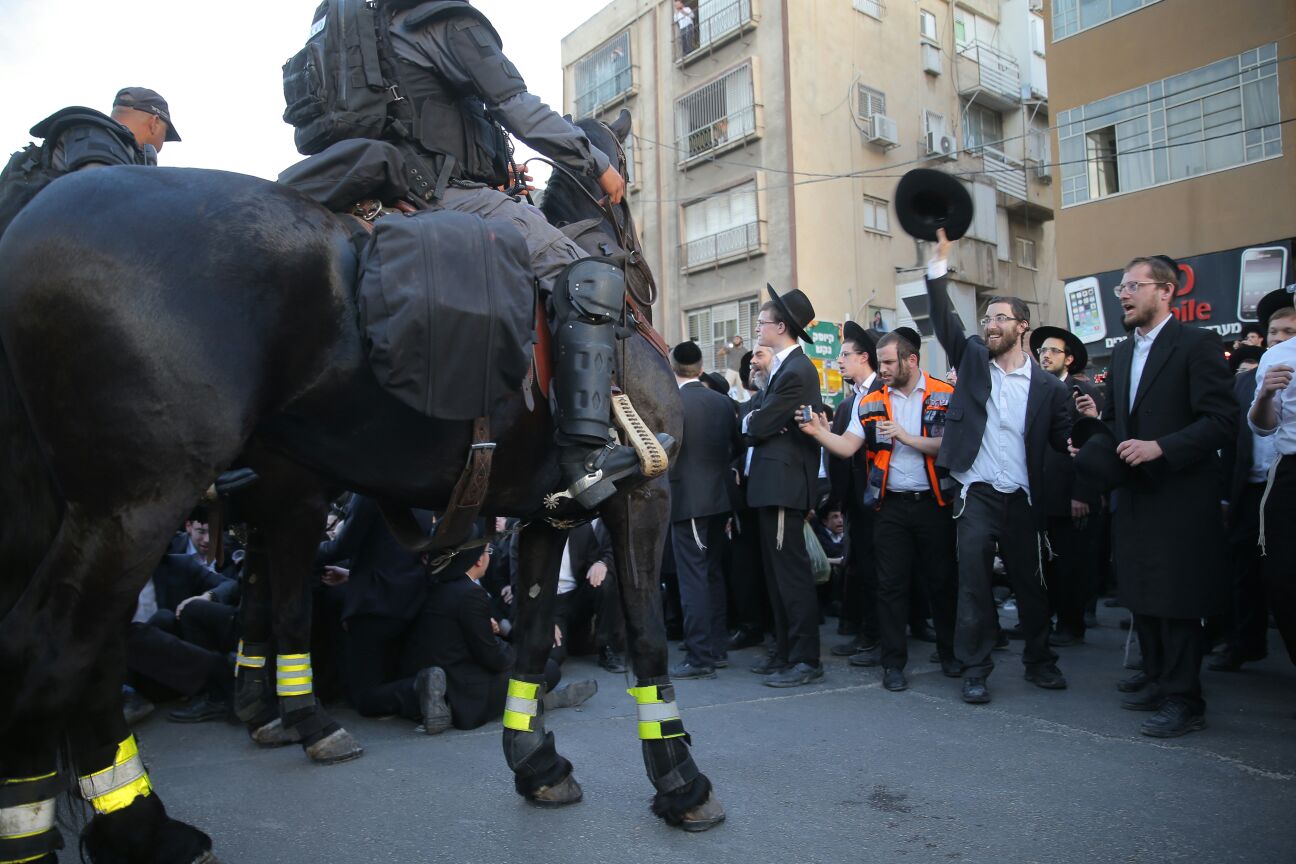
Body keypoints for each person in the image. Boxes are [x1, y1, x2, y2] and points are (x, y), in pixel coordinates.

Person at [374, 1, 666, 507]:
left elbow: (420, 120)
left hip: (377, 188)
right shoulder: (443, 22)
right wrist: (595, 163)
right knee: (584, 271)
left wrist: (493, 171)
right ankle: (585, 460)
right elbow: (518, 107)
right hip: (437, 194)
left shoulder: (369, 31)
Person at [1074, 255, 1235, 737]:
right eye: (1120, 287)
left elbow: (1222, 421)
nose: (1121, 294)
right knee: (1142, 591)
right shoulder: (1122, 353)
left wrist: (1162, 447)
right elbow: (1118, 423)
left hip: (1182, 491)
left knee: (1179, 596)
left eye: (1131, 286)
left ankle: (1186, 700)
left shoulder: (1197, 344)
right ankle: (1159, 680)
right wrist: (1091, 441)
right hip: (1135, 493)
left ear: (1165, 291)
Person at [925, 229, 1072, 705]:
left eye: (1000, 318)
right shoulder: (971, 359)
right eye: (987, 318)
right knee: (974, 583)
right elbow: (944, 320)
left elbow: (1057, 441)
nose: (990, 325)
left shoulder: (1049, 387)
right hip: (977, 493)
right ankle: (975, 668)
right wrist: (938, 267)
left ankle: (1040, 660)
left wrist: (1080, 434)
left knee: (1032, 583)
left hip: (1024, 497)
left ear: (1023, 326)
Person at [801, 330, 959, 692]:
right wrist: (816, 432)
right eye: (880, 361)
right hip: (889, 506)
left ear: (911, 360)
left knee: (942, 582)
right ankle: (893, 664)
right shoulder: (869, 400)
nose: (882, 368)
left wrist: (906, 437)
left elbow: (952, 446)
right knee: (890, 586)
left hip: (935, 505)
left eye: (889, 362)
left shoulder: (945, 394)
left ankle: (951, 656)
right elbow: (845, 446)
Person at [743, 287, 825, 687]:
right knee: (775, 574)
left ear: (780, 326)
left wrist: (754, 420)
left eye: (760, 322)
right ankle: (784, 650)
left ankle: (805, 657)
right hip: (771, 484)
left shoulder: (796, 371)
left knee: (790, 574)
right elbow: (761, 420)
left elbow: (757, 424)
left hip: (784, 484)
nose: (757, 328)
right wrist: (758, 419)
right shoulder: (783, 369)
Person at [1217, 292, 1296, 671]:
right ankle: (1245, 643)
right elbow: (1243, 435)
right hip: (1255, 490)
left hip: (1279, 482)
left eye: (1289, 330)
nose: (1280, 337)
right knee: (1250, 571)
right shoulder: (1254, 376)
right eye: (1274, 331)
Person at [669, 341, 740, 678]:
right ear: (700, 367)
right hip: (719, 498)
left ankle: (700, 655)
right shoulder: (723, 402)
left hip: (690, 500)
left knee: (694, 576)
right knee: (711, 572)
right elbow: (737, 446)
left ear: (674, 367)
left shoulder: (672, 402)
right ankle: (716, 647)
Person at [1030, 324, 1104, 647]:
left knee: (1070, 564)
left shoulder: (1083, 393)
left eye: (1053, 351)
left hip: (1072, 493)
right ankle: (1043, 621)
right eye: (1042, 351)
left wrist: (1083, 493)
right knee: (1042, 563)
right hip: (1040, 493)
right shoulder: (1033, 388)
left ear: (1069, 359)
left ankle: (1072, 625)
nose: (1045, 356)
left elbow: (1092, 447)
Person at [825, 322, 883, 661]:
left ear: (864, 357)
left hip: (880, 500)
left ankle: (878, 637)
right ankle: (865, 632)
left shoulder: (881, 394)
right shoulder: (851, 401)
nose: (839, 361)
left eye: (845, 355)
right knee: (860, 568)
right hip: (855, 503)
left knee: (878, 572)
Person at [1246, 284, 1296, 667]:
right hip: (1290, 473)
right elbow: (1263, 427)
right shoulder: (1278, 357)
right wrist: (1264, 396)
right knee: (1283, 580)